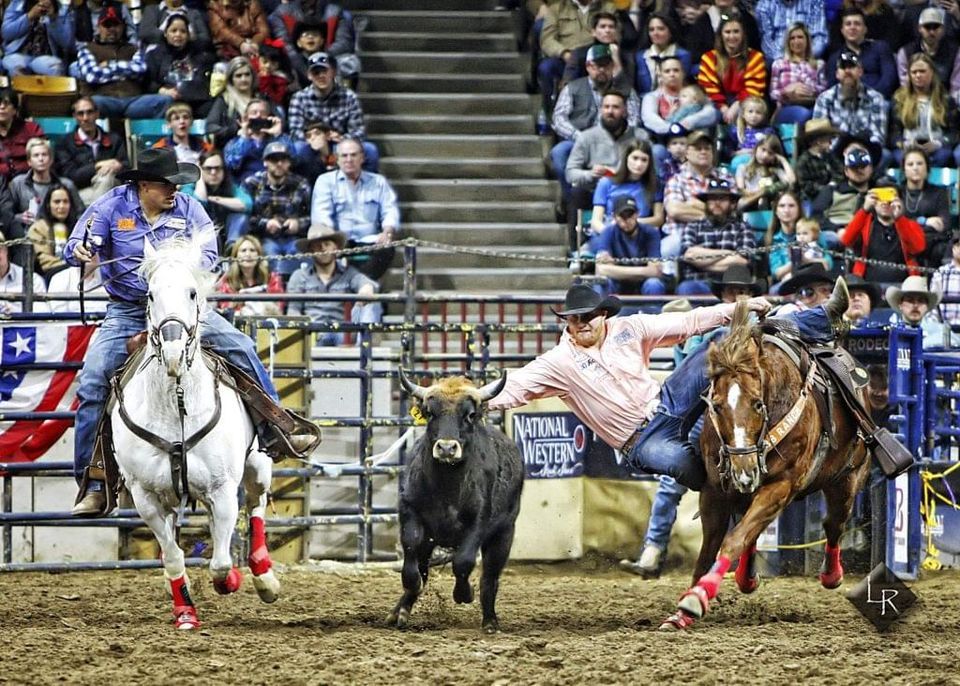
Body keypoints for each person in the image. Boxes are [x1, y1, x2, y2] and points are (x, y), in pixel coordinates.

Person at [62, 147, 320, 516]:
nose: (175, 192)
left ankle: (276, 426)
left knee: (240, 346)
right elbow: (74, 245)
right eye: (168, 185)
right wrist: (82, 249)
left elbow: (210, 257)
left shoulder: (188, 209)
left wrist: (176, 270)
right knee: (92, 382)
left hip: (183, 307)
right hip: (129, 310)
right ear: (144, 185)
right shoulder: (110, 207)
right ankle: (96, 481)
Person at [487, 279, 851, 494]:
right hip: (640, 439)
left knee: (726, 339)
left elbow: (689, 321)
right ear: (567, 323)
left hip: (668, 402)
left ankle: (818, 318)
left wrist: (738, 308)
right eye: (574, 319)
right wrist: (474, 400)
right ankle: (730, 490)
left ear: (602, 315)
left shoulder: (630, 328)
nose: (581, 324)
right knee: (684, 465)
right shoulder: (558, 363)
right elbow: (516, 385)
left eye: (587, 316)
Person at [620, 263, 761, 578]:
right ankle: (653, 551)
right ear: (723, 295)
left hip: (737, 411)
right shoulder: (715, 329)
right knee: (674, 482)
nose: (737, 296)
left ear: (750, 295)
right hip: (707, 411)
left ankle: (732, 555)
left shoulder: (750, 329)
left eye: (742, 291)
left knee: (746, 476)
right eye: (732, 292)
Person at [551, 44, 641, 204]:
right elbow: (559, 118)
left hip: (617, 141)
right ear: (588, 66)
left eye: (606, 65)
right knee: (559, 152)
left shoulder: (626, 90)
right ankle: (569, 198)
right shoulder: (573, 88)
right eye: (597, 65)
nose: (602, 70)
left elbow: (634, 119)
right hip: (578, 140)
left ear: (612, 66)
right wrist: (579, 136)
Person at [310, 138, 400, 282]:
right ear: (336, 159)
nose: (349, 159)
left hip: (370, 240)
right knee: (324, 246)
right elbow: (321, 215)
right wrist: (332, 239)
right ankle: (361, 285)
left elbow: (390, 210)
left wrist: (387, 232)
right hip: (339, 241)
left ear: (362, 158)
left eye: (353, 155)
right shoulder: (325, 181)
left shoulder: (378, 182)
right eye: (344, 156)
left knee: (387, 248)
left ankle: (359, 283)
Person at [565, 90, 644, 250]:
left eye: (615, 107)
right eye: (606, 107)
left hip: (629, 191)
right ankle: (577, 250)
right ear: (601, 109)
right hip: (596, 190)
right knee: (576, 193)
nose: (610, 111)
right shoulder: (587, 137)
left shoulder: (640, 136)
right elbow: (570, 172)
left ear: (625, 111)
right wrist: (590, 174)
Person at [287, 224, 381, 346]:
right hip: (311, 332)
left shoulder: (349, 273)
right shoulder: (299, 276)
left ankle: (363, 351)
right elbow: (293, 310)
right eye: (317, 245)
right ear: (311, 250)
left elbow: (365, 282)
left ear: (335, 247)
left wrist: (366, 288)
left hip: (342, 332)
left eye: (327, 244)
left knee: (370, 304)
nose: (323, 249)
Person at [71, 5, 172, 119]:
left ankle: (153, 137)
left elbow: (140, 69)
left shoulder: (133, 48)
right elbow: (93, 76)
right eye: (107, 25)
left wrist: (109, 65)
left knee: (165, 100)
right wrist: (127, 71)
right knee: (92, 103)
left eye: (116, 25)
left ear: (123, 27)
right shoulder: (87, 49)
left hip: (133, 101)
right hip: (104, 100)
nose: (112, 29)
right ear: (99, 27)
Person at [287, 52, 378, 171]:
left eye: (325, 71)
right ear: (309, 75)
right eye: (316, 72)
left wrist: (343, 138)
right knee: (299, 149)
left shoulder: (349, 96)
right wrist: (314, 139)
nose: (321, 76)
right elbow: (294, 132)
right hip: (312, 144)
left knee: (370, 150)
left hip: (341, 144)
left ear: (333, 72)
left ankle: (365, 188)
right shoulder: (299, 98)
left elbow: (359, 131)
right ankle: (306, 188)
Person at [661, 130, 734, 279]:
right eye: (698, 148)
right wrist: (713, 211)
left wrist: (693, 204)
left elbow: (732, 208)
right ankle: (670, 284)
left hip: (721, 236)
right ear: (687, 152)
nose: (703, 152)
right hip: (684, 238)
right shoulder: (677, 180)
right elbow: (674, 210)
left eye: (707, 148)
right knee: (670, 244)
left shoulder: (725, 177)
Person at [242, 141, 312, 278]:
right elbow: (244, 217)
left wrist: (299, 223)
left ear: (289, 163)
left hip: (295, 237)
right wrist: (264, 223)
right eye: (274, 160)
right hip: (264, 238)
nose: (279, 164)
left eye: (283, 160)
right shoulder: (252, 183)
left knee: (297, 253)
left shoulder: (301, 184)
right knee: (270, 253)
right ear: (265, 162)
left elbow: (313, 216)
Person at [537, 0, 617, 119]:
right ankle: (551, 113)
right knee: (545, 68)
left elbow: (616, 33)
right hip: (564, 56)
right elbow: (547, 39)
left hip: (596, 55)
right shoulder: (556, 9)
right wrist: (564, 53)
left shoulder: (607, 7)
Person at [678, 177, 754, 295]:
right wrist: (729, 253)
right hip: (698, 283)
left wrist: (700, 263)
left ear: (732, 203)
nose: (717, 203)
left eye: (722, 199)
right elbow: (689, 255)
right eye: (712, 199)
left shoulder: (742, 227)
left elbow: (742, 262)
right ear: (706, 203)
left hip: (730, 287)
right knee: (685, 288)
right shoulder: (693, 226)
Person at [639, 56, 718, 169]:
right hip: (666, 143)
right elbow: (649, 119)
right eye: (667, 71)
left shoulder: (695, 94)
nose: (672, 74)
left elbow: (711, 113)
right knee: (656, 151)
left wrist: (689, 121)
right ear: (660, 75)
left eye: (676, 70)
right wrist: (672, 127)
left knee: (703, 143)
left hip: (693, 142)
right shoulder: (652, 97)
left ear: (683, 73)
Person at [840, 186, 926, 286]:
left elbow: (918, 248)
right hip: (868, 284)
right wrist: (864, 210)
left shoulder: (910, 224)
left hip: (902, 285)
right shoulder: (864, 224)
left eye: (889, 197)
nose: (885, 202)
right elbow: (846, 241)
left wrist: (899, 218)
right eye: (879, 198)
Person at [811, 50, 888, 161]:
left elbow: (878, 136)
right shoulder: (825, 99)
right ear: (837, 74)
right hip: (834, 153)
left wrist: (858, 150)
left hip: (866, 153)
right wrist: (841, 149)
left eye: (852, 67)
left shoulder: (876, 98)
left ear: (860, 72)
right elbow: (819, 136)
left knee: (885, 155)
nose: (847, 71)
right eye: (843, 68)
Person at [53, 96, 128, 206]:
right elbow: (70, 177)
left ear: (97, 114)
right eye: (80, 113)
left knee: (106, 178)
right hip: (79, 193)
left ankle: (93, 219)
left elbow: (127, 169)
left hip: (112, 189)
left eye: (89, 112)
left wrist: (118, 166)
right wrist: (97, 166)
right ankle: (97, 218)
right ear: (75, 116)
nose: (85, 118)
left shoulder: (114, 139)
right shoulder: (65, 143)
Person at [889, 53, 960, 169]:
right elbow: (893, 133)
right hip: (908, 146)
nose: (918, 75)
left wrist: (939, 143)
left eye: (922, 71)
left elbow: (954, 133)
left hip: (937, 146)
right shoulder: (899, 99)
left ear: (932, 73)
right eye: (914, 72)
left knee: (945, 155)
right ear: (909, 75)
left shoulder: (945, 99)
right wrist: (905, 144)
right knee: (899, 157)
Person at [9, 138, 84, 245]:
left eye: (44, 155)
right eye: (36, 155)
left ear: (51, 159)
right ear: (29, 161)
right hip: (27, 239)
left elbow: (81, 214)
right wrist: (19, 217)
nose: (41, 159)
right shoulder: (18, 184)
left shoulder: (66, 185)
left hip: (60, 236)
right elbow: (7, 215)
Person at [143, 12, 217, 118]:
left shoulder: (201, 54)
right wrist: (161, 90)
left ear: (188, 35)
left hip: (196, 102)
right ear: (165, 33)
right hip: (169, 101)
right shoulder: (154, 55)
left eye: (183, 31)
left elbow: (206, 82)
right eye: (173, 31)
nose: (178, 34)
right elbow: (147, 83)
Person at [697, 16, 767, 126]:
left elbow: (753, 89)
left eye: (736, 32)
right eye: (727, 32)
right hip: (717, 104)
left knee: (749, 113)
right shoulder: (709, 58)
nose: (732, 36)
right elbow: (708, 88)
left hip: (746, 103)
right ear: (721, 35)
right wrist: (723, 107)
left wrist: (737, 105)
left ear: (743, 35)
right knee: (708, 113)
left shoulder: (755, 57)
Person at [593, 195, 667, 297]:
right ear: (614, 217)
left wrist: (614, 269)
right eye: (622, 216)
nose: (627, 220)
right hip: (617, 282)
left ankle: (653, 312)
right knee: (601, 283)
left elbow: (655, 271)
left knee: (654, 284)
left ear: (637, 214)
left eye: (630, 214)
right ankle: (603, 312)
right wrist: (644, 271)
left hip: (643, 283)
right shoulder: (608, 232)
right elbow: (601, 269)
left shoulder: (651, 232)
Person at [183, 149, 252, 251]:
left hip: (226, 232)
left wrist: (217, 199)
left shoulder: (230, 186)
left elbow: (247, 204)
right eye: (208, 169)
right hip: (200, 238)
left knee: (240, 217)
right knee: (210, 230)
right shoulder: (190, 187)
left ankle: (232, 248)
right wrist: (200, 177)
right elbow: (199, 203)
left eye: (218, 168)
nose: (213, 172)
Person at [590, 138, 662, 233]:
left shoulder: (654, 184)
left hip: (640, 234)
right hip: (611, 231)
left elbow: (658, 219)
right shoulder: (606, 182)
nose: (639, 164)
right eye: (635, 158)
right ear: (626, 158)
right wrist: (610, 235)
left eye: (644, 160)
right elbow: (596, 221)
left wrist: (632, 223)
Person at [898, 147, 952, 270]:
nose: (915, 168)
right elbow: (895, 222)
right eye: (910, 164)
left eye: (920, 163)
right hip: (903, 240)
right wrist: (924, 221)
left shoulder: (938, 192)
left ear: (927, 168)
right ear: (904, 169)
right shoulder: (898, 192)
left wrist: (910, 223)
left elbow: (945, 224)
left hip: (931, 242)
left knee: (943, 248)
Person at [769, 22, 828, 125]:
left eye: (800, 37)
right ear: (788, 42)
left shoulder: (819, 64)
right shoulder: (778, 64)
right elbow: (773, 93)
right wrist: (787, 90)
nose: (796, 41)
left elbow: (824, 91)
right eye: (792, 38)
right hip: (786, 107)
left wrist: (807, 89)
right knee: (804, 114)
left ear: (807, 40)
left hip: (812, 105)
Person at [223, 98, 294, 185]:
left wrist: (278, 135)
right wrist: (245, 138)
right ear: (246, 117)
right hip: (247, 186)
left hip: (275, 186)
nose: (258, 116)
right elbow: (232, 164)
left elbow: (293, 159)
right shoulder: (235, 142)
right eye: (254, 112)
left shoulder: (279, 138)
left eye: (263, 113)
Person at [896, 7, 960, 96]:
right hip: (915, 100)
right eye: (927, 27)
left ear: (943, 29)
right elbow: (906, 86)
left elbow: (956, 88)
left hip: (945, 99)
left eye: (936, 27)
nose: (932, 32)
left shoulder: (955, 52)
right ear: (919, 28)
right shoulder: (905, 52)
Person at [1, 0, 75, 76]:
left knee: (54, 67)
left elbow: (67, 43)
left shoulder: (62, 8)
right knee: (15, 65)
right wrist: (29, 16)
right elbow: (6, 33)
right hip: (18, 54)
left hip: (46, 57)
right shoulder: (18, 3)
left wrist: (53, 19)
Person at [216, 235, 284, 316]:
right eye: (243, 250)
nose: (248, 254)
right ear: (236, 255)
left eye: (252, 250)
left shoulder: (271, 277)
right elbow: (225, 307)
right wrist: (239, 299)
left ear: (259, 254)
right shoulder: (227, 279)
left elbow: (278, 307)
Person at [886, 275, 960, 348]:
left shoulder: (941, 331)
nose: (915, 305)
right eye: (910, 300)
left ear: (927, 306)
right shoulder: (889, 332)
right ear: (900, 304)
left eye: (921, 301)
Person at [205, 56, 262, 150]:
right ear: (231, 79)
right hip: (232, 148)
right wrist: (236, 131)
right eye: (238, 76)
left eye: (247, 74)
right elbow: (210, 127)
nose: (244, 79)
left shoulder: (261, 98)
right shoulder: (224, 100)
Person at [26, 183, 80, 278]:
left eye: (65, 201)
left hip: (77, 273)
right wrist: (67, 265)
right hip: (50, 275)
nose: (61, 206)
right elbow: (45, 261)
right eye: (57, 202)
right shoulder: (38, 228)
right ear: (48, 205)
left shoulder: (78, 227)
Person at [734, 135, 796, 211]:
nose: (765, 155)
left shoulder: (775, 170)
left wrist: (783, 160)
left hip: (768, 203)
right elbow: (741, 189)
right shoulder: (743, 168)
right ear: (756, 148)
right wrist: (759, 192)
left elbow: (791, 181)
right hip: (750, 202)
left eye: (770, 153)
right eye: (763, 150)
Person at [634, 12, 692, 94]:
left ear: (670, 31)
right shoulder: (641, 56)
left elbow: (683, 83)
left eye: (661, 29)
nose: (655, 33)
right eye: (651, 30)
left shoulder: (683, 55)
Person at [754, 1, 828, 63]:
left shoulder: (815, 2)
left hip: (807, 57)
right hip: (776, 59)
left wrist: (803, 57)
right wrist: (784, 60)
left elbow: (820, 37)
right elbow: (767, 42)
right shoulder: (764, 4)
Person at [0, 87, 45, 183]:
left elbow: (43, 155)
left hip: (28, 181)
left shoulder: (31, 129)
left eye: (6, 104)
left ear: (15, 110)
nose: (2, 107)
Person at [765, 190, 807, 290]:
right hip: (784, 285)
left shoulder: (813, 232)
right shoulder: (771, 240)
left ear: (799, 209)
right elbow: (776, 273)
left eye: (791, 206)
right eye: (782, 206)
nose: (786, 210)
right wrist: (796, 261)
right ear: (776, 210)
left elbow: (827, 263)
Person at [151, 103, 214, 167]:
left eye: (185, 117)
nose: (182, 121)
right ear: (169, 124)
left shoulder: (205, 148)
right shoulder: (159, 148)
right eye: (176, 118)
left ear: (191, 122)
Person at [0, 229, 47, 315]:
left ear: (6, 250)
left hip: (20, 327)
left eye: (0, 249)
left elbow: (41, 317)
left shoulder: (33, 280)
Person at [795, 118, 842, 202]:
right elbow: (805, 184)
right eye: (828, 140)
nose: (831, 142)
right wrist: (825, 189)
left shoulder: (829, 155)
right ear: (819, 142)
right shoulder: (803, 161)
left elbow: (840, 171)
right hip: (812, 198)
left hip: (833, 193)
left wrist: (833, 183)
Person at [138, 0, 212, 51]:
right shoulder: (152, 10)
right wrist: (169, 36)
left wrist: (188, 38)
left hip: (190, 56)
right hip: (158, 56)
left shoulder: (194, 13)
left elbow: (205, 39)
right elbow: (145, 33)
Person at [930, 235, 960, 327]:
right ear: (953, 248)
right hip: (944, 330)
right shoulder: (941, 273)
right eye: (958, 245)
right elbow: (933, 305)